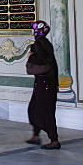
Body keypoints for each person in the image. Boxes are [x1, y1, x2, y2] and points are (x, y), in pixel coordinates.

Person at [25, 20, 61, 149]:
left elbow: (43, 62)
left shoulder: (38, 44)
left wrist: (30, 57)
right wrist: (56, 83)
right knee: (36, 107)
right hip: (47, 82)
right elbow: (53, 64)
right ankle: (36, 135)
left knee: (46, 111)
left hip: (44, 82)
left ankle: (54, 139)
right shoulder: (45, 43)